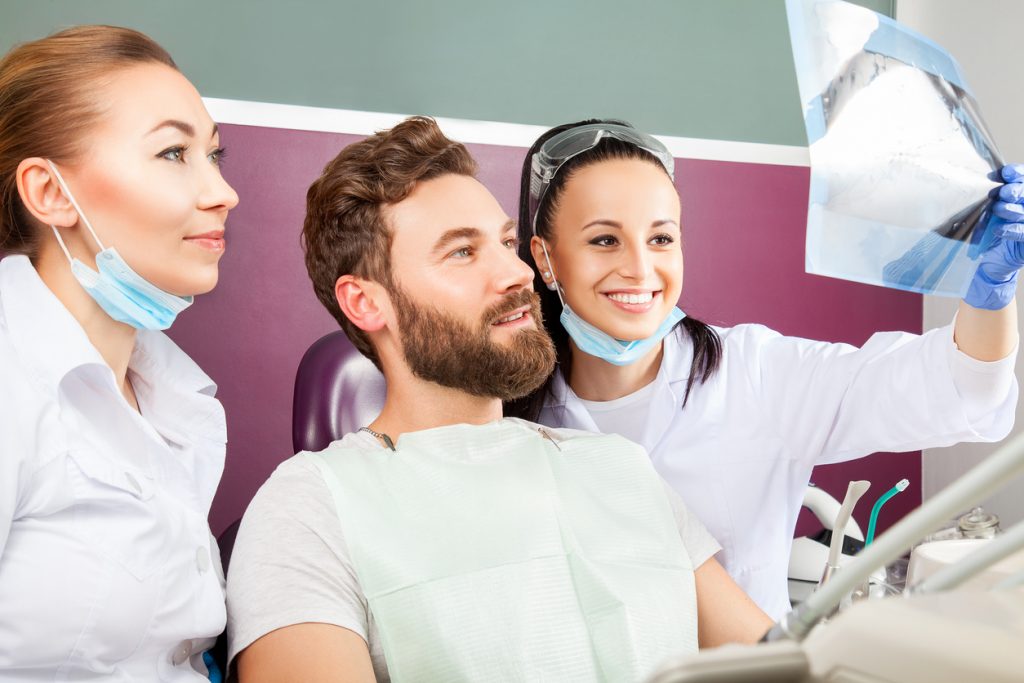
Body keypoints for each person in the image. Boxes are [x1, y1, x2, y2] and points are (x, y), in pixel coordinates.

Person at [226, 116, 772, 683]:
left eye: (508, 244)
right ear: (365, 303)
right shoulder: (309, 509)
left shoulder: (621, 469)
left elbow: (781, 667)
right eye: (462, 252)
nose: (517, 273)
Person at [506, 119, 1022, 619]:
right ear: (545, 258)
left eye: (661, 239)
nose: (640, 269)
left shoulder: (757, 374)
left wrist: (991, 293)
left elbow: (954, 386)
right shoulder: (506, 413)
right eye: (604, 240)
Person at [0, 26, 239, 680]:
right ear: (50, 193)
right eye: (172, 153)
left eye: (214, 154)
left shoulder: (175, 399)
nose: (222, 192)